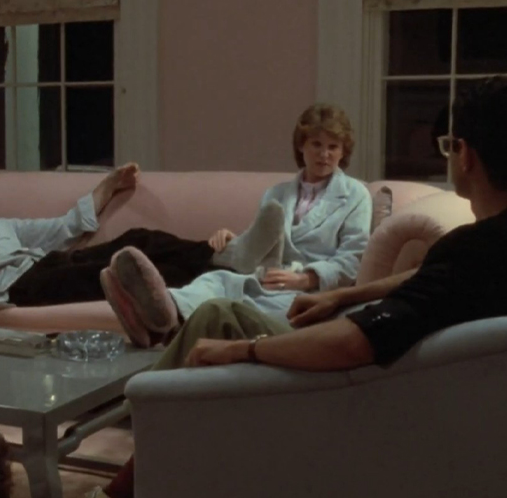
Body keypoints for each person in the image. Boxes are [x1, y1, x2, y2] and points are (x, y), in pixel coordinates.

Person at [30, 76, 507, 498]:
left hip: (364, 398)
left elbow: (356, 342)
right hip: (409, 384)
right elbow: (432, 279)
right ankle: (148, 467)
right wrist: (345, 294)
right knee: (217, 287)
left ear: (465, 154)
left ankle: (123, 494)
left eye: (449, 146)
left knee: (215, 322)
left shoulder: (473, 248)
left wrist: (246, 349)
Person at [102, 103, 372, 348]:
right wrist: (235, 239)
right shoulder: (277, 194)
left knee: (234, 306)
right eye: (316, 144)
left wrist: (306, 278)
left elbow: (354, 258)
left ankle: (156, 328)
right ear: (302, 146)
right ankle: (163, 312)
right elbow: (266, 246)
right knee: (217, 280)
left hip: (307, 290)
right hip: (264, 274)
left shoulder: (355, 195)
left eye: (333, 147)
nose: (324, 154)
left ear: (343, 152)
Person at [0, 163, 230, 323]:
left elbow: (65, 226)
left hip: (50, 263)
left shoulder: (0, 228)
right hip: (20, 288)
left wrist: (108, 185)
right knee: (119, 271)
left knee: (137, 239)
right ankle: (218, 282)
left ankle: (221, 255)